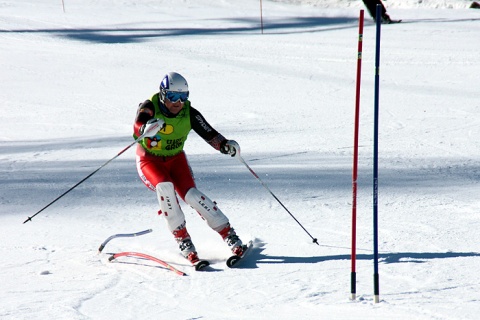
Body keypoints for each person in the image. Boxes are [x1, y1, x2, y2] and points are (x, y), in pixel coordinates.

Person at [133, 71, 244, 265]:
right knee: (165, 189)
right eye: (173, 96)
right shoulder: (150, 107)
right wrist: (145, 128)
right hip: (149, 161)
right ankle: (183, 240)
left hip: (176, 159)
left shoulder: (189, 113)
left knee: (192, 195)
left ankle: (229, 234)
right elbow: (138, 123)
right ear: (162, 95)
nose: (178, 102)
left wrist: (225, 145)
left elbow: (209, 133)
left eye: (183, 97)